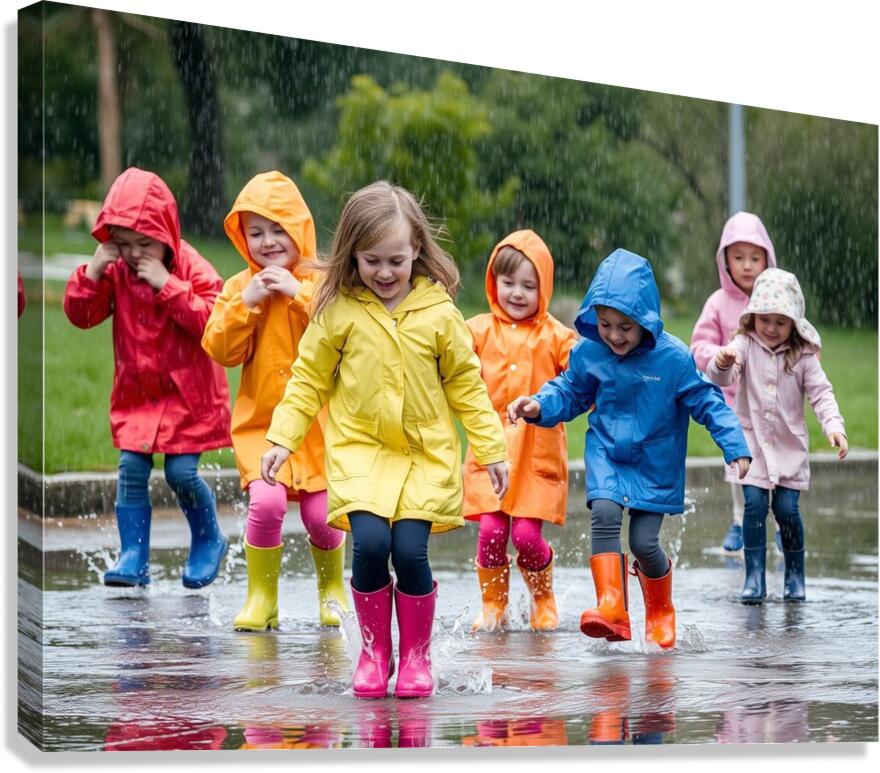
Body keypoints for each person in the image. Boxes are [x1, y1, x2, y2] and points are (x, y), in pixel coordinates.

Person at [261, 181, 509, 698]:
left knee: (411, 552)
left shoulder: (439, 313)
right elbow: (308, 378)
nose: (385, 273)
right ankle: (376, 654)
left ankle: (415, 658)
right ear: (352, 255)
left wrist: (490, 449)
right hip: (361, 455)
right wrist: (283, 438)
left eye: (396, 259)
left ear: (417, 248)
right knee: (371, 545)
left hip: (424, 457)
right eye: (371, 260)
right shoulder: (340, 311)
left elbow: (467, 385)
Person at [508, 249, 751, 649]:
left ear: (646, 321)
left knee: (643, 542)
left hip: (654, 463)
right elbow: (569, 391)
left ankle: (659, 609)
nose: (614, 336)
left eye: (625, 326)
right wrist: (539, 404)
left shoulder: (672, 359)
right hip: (606, 454)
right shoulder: (589, 353)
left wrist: (734, 445)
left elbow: (708, 402)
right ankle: (613, 609)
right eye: (605, 324)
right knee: (603, 513)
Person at [64, 167, 231, 588]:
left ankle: (209, 537)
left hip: (186, 396)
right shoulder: (116, 269)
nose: (135, 254)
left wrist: (168, 284)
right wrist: (94, 272)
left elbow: (216, 321)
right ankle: (133, 555)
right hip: (139, 394)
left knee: (181, 474)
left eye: (144, 244)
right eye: (123, 244)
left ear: (167, 233)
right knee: (131, 469)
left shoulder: (190, 266)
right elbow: (81, 316)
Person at [202, 171, 349, 630]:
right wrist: (245, 303)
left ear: (299, 229)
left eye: (278, 229)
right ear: (242, 238)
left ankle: (332, 590)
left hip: (317, 429)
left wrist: (299, 293)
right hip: (261, 429)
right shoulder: (238, 289)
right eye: (255, 232)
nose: (267, 242)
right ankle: (261, 597)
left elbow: (344, 331)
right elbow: (220, 350)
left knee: (323, 518)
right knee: (265, 506)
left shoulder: (322, 282)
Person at [706, 268, 846, 604]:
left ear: (794, 324)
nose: (770, 328)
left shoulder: (803, 356)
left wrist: (834, 426)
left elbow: (821, 394)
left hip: (787, 447)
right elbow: (720, 377)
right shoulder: (744, 344)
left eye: (780, 322)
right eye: (764, 319)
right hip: (750, 445)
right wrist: (723, 361)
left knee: (786, 509)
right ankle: (754, 575)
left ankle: (795, 573)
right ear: (753, 316)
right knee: (753, 505)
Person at [463, 230, 577, 632]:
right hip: (490, 450)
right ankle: (494, 604)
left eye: (529, 285)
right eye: (508, 283)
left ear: (543, 287)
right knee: (492, 532)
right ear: (494, 283)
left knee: (527, 535)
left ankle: (542, 597)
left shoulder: (557, 336)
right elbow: (446, 352)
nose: (516, 293)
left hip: (537, 452)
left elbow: (583, 376)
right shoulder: (478, 330)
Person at [690, 211, 778, 553]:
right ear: (724, 259)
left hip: (771, 400)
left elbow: (796, 334)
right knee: (739, 461)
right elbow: (698, 345)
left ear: (767, 258)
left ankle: (779, 521)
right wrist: (720, 354)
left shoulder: (775, 300)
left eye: (755, 258)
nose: (746, 265)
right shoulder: (718, 303)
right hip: (731, 400)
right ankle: (740, 522)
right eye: (738, 257)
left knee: (775, 462)